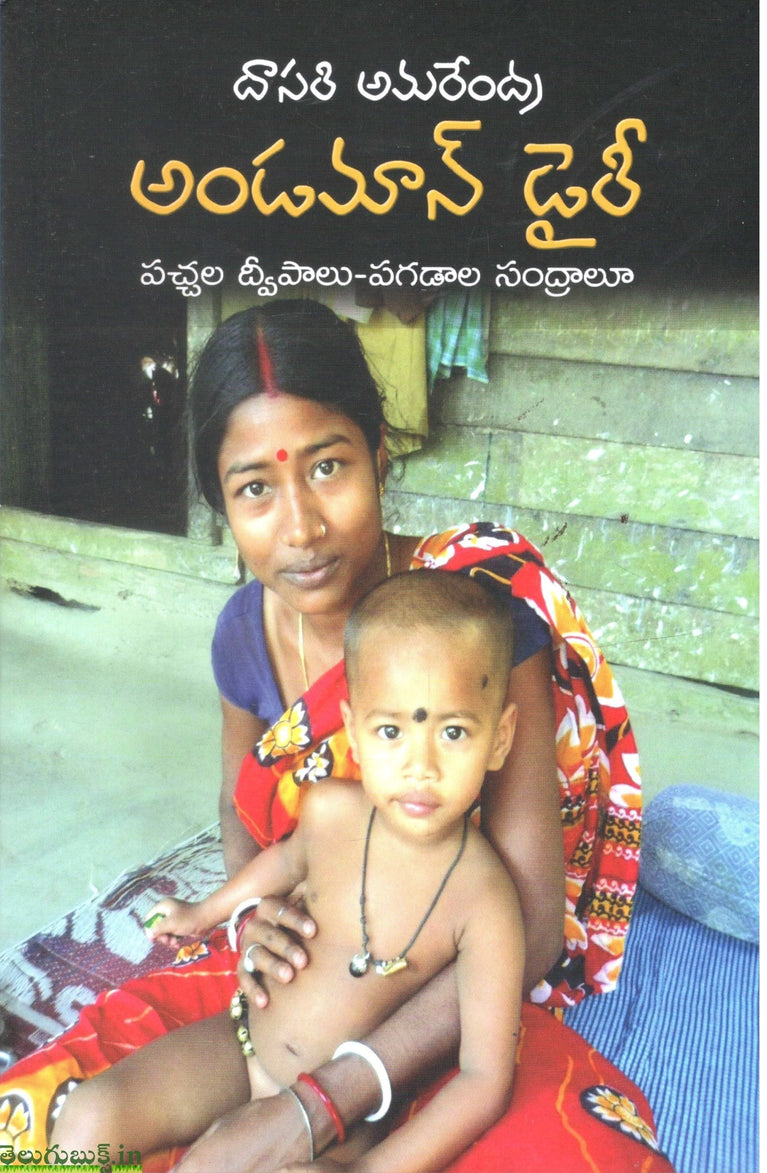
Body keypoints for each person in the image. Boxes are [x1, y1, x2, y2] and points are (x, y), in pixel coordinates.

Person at [1, 299, 664, 1173]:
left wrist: (320, 1104)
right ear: (219, 503)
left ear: (380, 453)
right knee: (60, 1115)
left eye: (327, 467)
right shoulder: (244, 634)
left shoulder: (476, 617)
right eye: (255, 488)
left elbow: (534, 926)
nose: (302, 526)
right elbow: (240, 802)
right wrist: (255, 914)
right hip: (301, 989)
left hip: (449, 1002)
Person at [51, 571, 525, 1171]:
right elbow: (284, 860)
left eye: (453, 732)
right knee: (87, 1119)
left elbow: (484, 1081)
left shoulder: (485, 900)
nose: (420, 766)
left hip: (347, 1123)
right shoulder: (330, 810)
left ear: (500, 738)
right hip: (242, 1042)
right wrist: (205, 912)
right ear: (353, 731)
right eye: (390, 731)